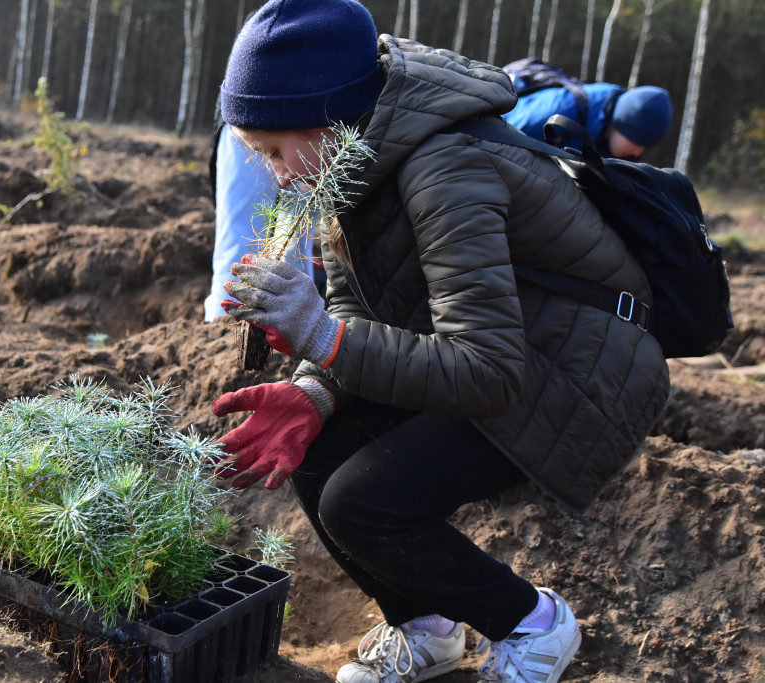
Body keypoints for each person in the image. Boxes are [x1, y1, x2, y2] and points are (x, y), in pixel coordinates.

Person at [210, 1, 670, 682]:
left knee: (363, 501)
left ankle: (536, 626)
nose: (275, 174)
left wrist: (322, 336)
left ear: (332, 118)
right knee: (316, 447)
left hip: (578, 376)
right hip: (499, 351)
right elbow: (352, 306)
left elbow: (486, 372)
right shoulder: (351, 163)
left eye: (275, 150)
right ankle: (426, 632)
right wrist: (311, 388)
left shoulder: (444, 170)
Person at [205, 122, 318, 321]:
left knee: (295, 250)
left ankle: (296, 330)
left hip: (313, 125)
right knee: (239, 250)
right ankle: (224, 333)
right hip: (249, 120)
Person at [503, 80, 672, 160]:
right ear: (622, 124)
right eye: (637, 142)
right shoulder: (563, 108)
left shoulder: (608, 126)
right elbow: (499, 135)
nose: (638, 152)